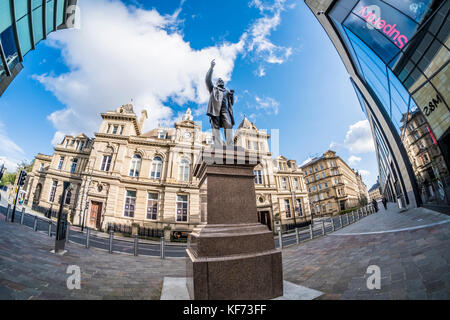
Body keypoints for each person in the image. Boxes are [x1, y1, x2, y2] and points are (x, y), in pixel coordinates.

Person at [205, 59, 235, 146]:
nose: (221, 81)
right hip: (215, 110)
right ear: (217, 83)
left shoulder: (227, 91)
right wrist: (211, 68)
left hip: (225, 111)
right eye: (219, 80)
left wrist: (232, 96)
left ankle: (230, 144)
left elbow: (231, 104)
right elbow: (207, 80)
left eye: (222, 80)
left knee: (228, 125)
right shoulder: (213, 89)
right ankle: (217, 144)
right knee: (215, 128)